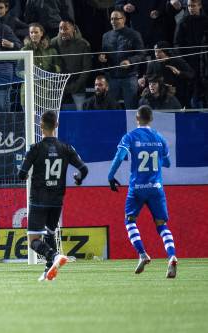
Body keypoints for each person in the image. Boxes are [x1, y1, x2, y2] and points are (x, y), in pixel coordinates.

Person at [108, 105, 178, 278]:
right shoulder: (159, 137)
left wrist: (110, 176)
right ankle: (172, 255)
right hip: (156, 188)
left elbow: (119, 157)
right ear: (151, 119)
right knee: (162, 225)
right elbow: (167, 163)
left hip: (137, 188)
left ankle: (142, 254)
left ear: (137, 119)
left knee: (129, 221)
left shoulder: (130, 136)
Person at [17, 110, 88, 281]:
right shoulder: (66, 148)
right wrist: (78, 180)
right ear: (56, 125)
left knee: (34, 239)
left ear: (40, 126)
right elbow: (84, 169)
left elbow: (21, 174)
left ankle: (54, 255)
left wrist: (25, 175)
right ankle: (49, 271)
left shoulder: (35, 149)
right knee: (49, 234)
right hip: (57, 200)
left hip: (39, 199)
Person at [99, 10, 145, 110]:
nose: (113, 21)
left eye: (116, 19)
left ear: (124, 19)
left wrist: (130, 61)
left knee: (131, 108)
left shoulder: (134, 34)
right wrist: (103, 58)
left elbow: (141, 54)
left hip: (129, 77)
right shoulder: (106, 36)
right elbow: (105, 55)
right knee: (111, 108)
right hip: (112, 78)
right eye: (111, 19)